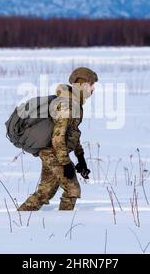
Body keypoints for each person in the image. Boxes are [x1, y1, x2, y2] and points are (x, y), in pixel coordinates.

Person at [18, 67, 98, 211]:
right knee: (72, 189)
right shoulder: (67, 105)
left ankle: (22, 216)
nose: (93, 89)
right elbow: (58, 137)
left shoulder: (74, 103)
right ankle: (65, 224)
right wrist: (66, 163)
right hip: (53, 152)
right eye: (92, 85)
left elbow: (72, 132)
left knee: (45, 191)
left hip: (52, 151)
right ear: (83, 85)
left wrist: (80, 157)